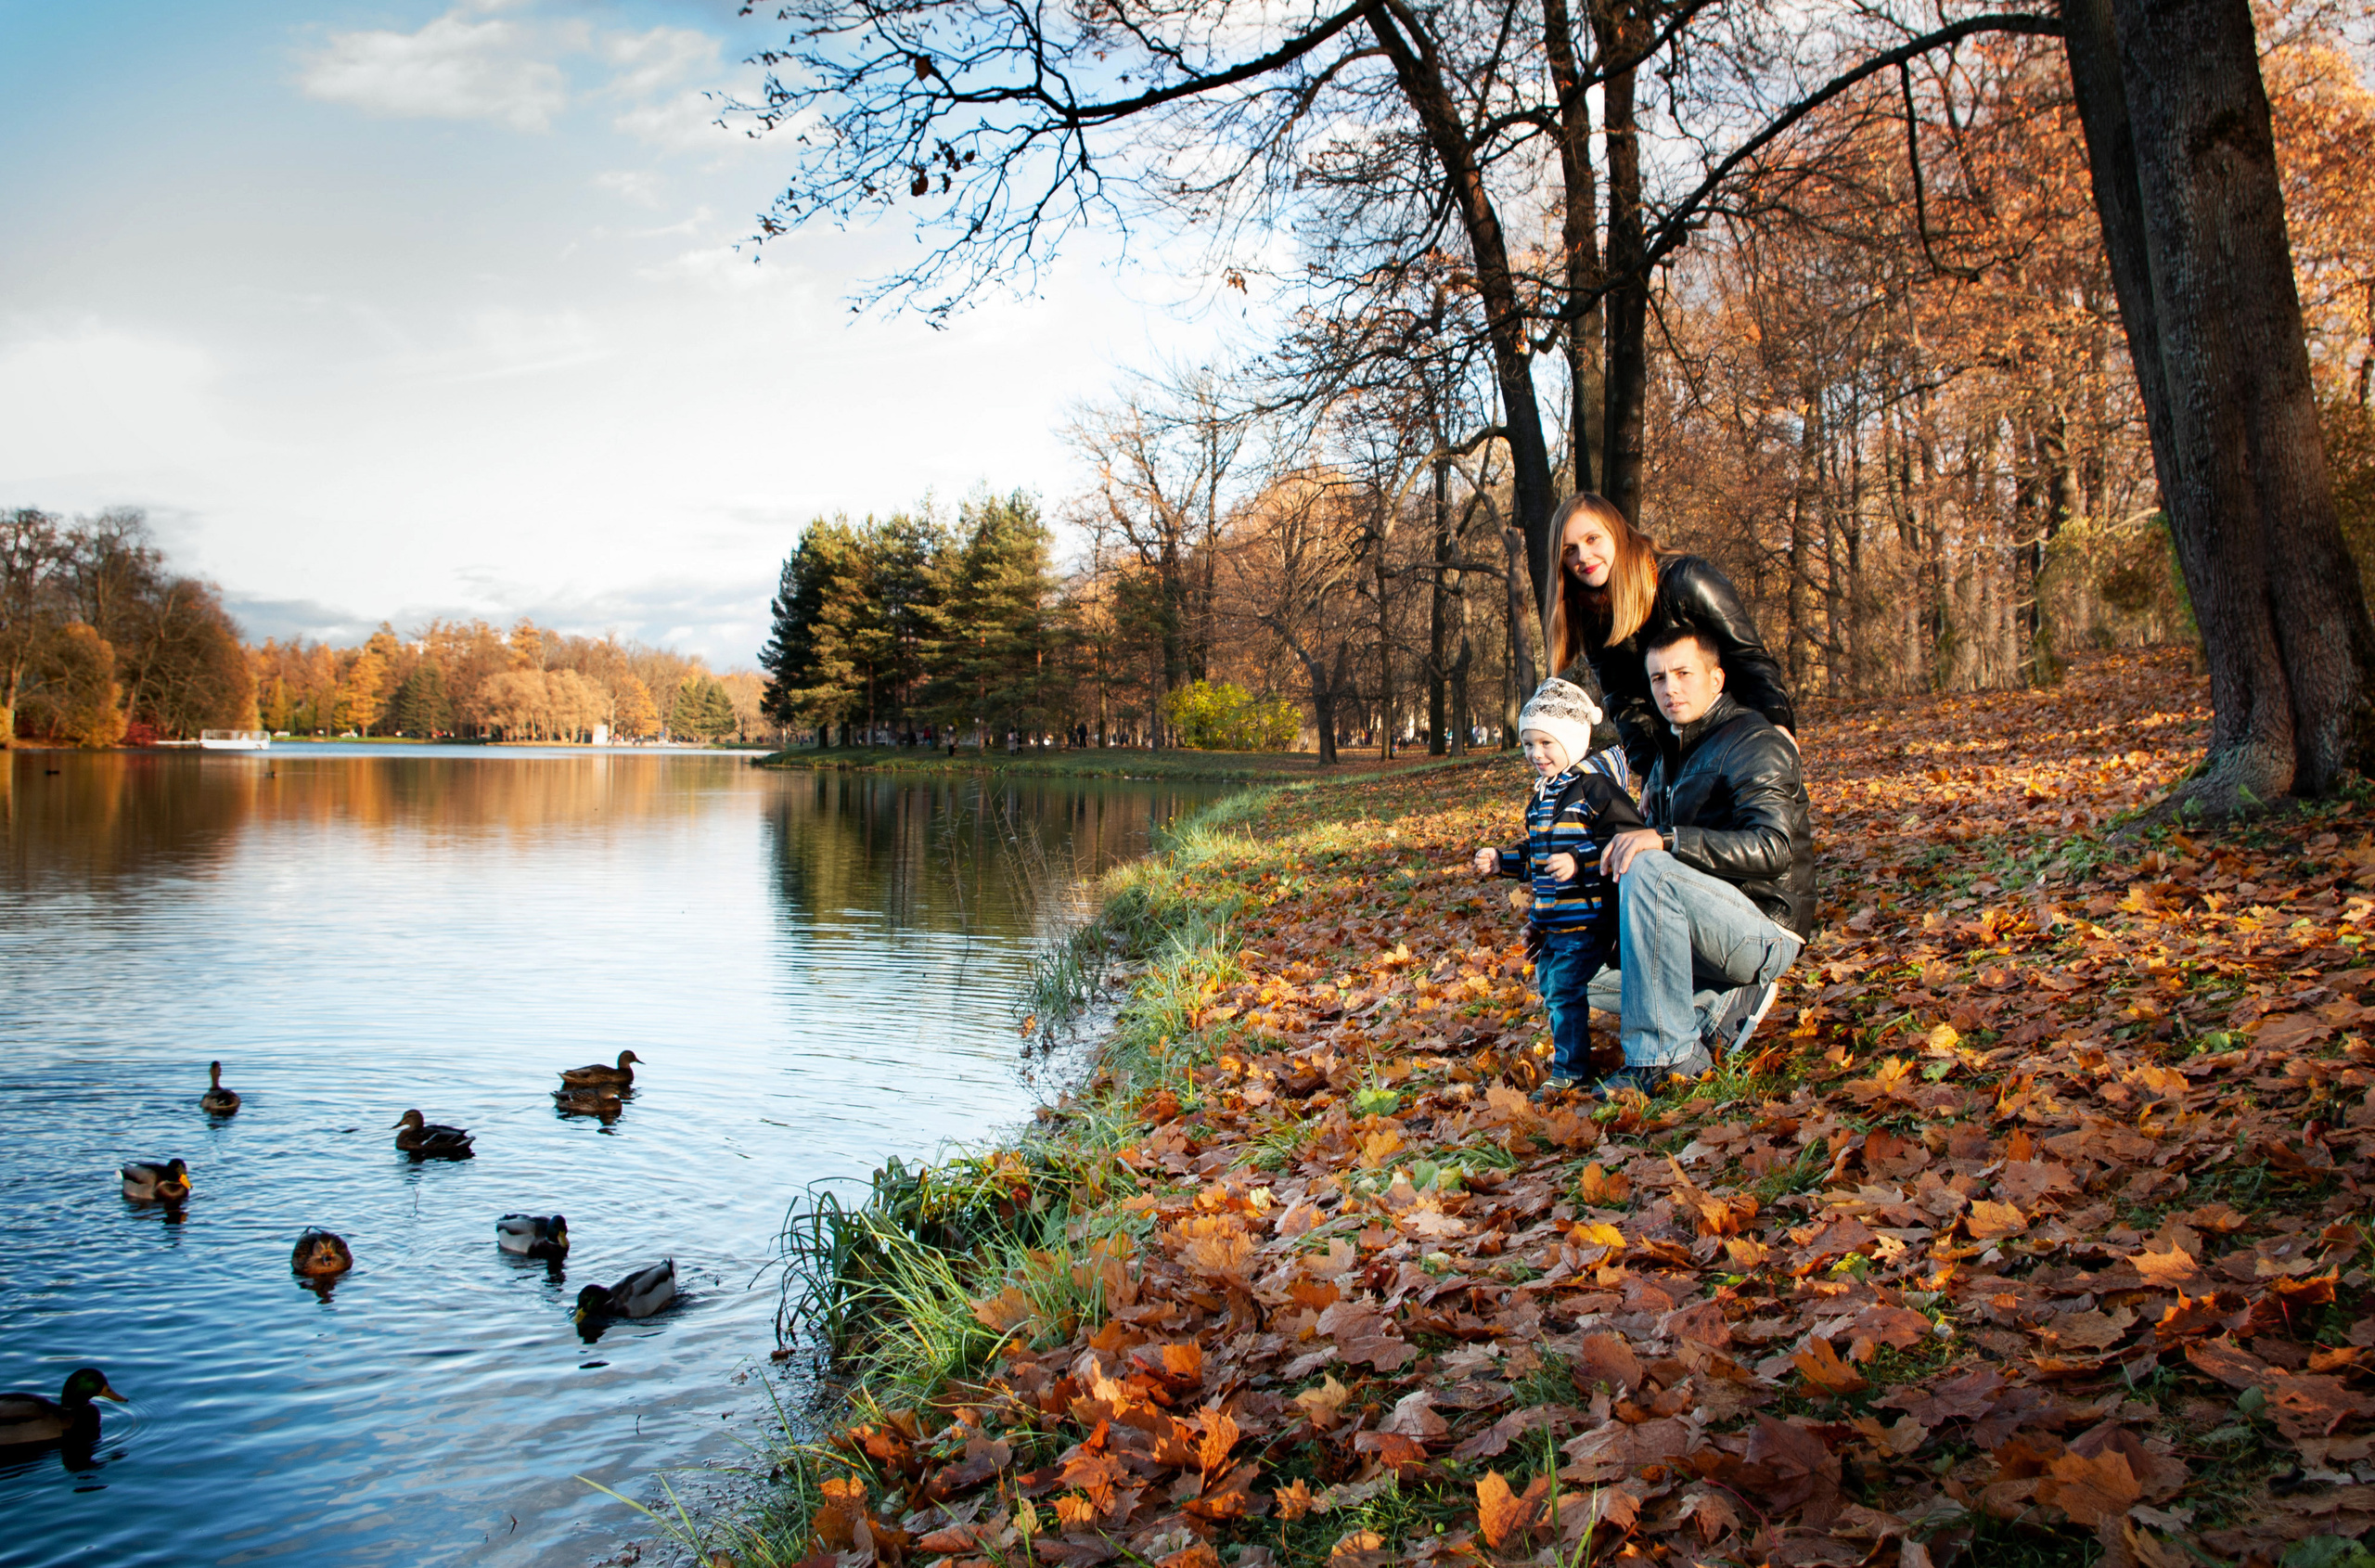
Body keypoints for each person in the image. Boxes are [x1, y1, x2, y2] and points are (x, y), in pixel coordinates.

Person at [1588, 626, 1814, 1093]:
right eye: (1657, 679)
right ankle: (1712, 1008)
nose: (1669, 688)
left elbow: (1773, 849)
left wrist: (1668, 839)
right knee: (1567, 963)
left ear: (1716, 679)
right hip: (1698, 926)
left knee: (1649, 863)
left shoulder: (1754, 740)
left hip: (1763, 927)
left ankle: (1667, 1060)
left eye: (1683, 673)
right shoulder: (1673, 753)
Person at [1469, 679, 1650, 1096]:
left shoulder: (1596, 790)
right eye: (1529, 744)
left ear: (1570, 741)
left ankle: (1570, 1071)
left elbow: (1628, 840)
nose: (1537, 754)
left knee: (1565, 988)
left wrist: (1579, 861)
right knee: (1552, 987)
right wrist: (1501, 860)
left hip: (1588, 918)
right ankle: (1573, 1058)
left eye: (1547, 743)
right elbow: (1536, 855)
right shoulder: (1542, 799)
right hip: (1554, 920)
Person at [1543, 493, 1797, 778]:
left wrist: (1776, 729)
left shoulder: (1686, 580)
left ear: (1616, 533)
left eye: (1592, 539)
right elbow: (1625, 703)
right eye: (1570, 550)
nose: (1583, 557)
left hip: (1738, 741)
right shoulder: (1589, 613)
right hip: (1677, 760)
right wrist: (1655, 773)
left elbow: (1749, 659)